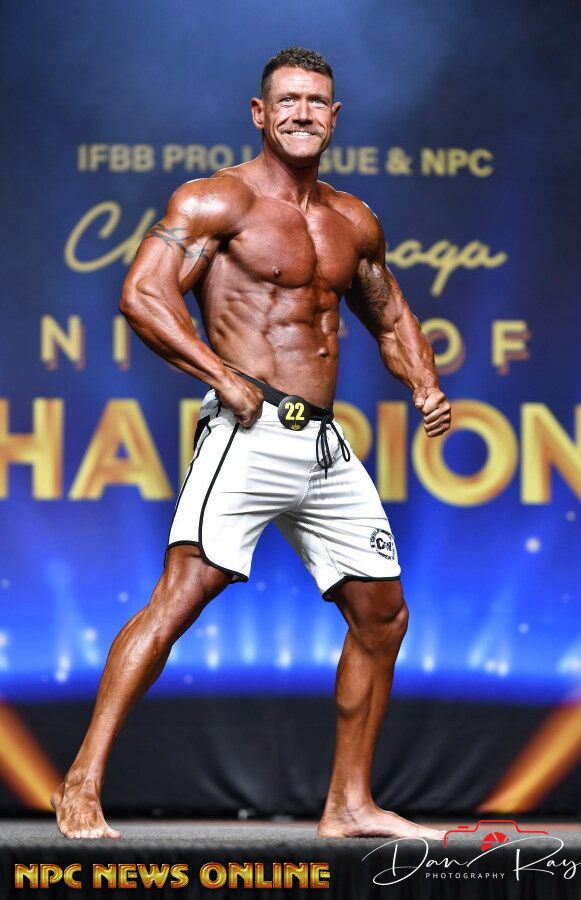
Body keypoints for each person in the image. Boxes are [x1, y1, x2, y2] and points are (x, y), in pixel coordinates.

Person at [52, 47, 451, 840]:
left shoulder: (352, 220)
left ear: (335, 117)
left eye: (317, 101)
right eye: (289, 100)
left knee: (383, 616)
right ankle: (80, 784)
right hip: (248, 429)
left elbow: (390, 313)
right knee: (181, 596)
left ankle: (348, 805)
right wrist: (219, 374)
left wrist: (425, 382)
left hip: (323, 444)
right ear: (260, 114)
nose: (303, 113)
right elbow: (143, 294)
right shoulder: (218, 201)